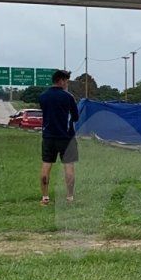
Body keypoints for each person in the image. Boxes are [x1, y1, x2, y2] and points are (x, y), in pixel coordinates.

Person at [38, 69, 80, 206]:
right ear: (61, 80)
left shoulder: (43, 96)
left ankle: (45, 197)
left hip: (48, 137)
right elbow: (75, 117)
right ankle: (69, 197)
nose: (67, 84)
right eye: (66, 81)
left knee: (46, 164)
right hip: (66, 137)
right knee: (69, 166)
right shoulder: (68, 97)